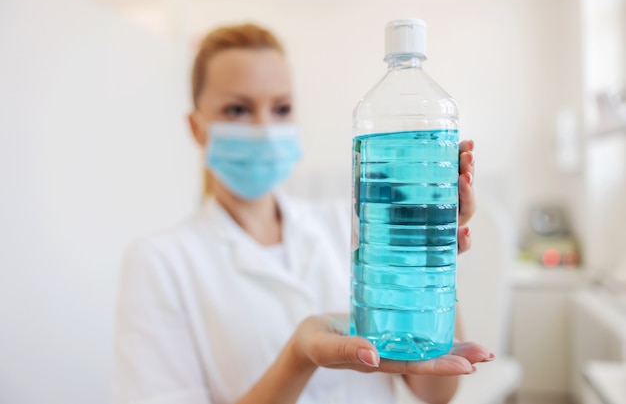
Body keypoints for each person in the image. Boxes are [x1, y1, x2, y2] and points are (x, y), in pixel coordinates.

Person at [112, 22, 491, 404]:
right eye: (238, 109)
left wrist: (431, 259)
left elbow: (435, 391)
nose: (264, 128)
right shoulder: (159, 263)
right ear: (197, 128)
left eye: (281, 108)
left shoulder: (351, 222)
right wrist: (299, 358)